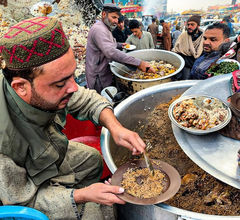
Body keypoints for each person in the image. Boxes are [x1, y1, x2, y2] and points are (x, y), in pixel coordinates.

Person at [0, 16, 146, 219]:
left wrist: (115, 127)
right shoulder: (3, 146)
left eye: (72, 75)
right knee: (97, 213)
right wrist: (82, 196)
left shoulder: (47, 87)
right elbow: (25, 202)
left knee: (93, 159)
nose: (74, 87)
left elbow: (86, 100)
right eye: (60, 84)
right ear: (21, 87)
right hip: (29, 193)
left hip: (50, 155)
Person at [85, 3, 155, 93]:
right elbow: (111, 52)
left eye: (117, 18)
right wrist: (139, 63)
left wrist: (120, 45)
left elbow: (110, 44)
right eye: (113, 17)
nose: (116, 21)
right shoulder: (99, 30)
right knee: (103, 100)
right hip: (98, 76)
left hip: (104, 72)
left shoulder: (106, 28)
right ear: (103, 14)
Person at [172, 15, 204, 80]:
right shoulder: (183, 35)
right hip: (185, 65)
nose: (189, 27)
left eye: (192, 25)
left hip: (198, 66)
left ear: (198, 26)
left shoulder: (204, 36)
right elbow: (176, 50)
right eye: (188, 24)